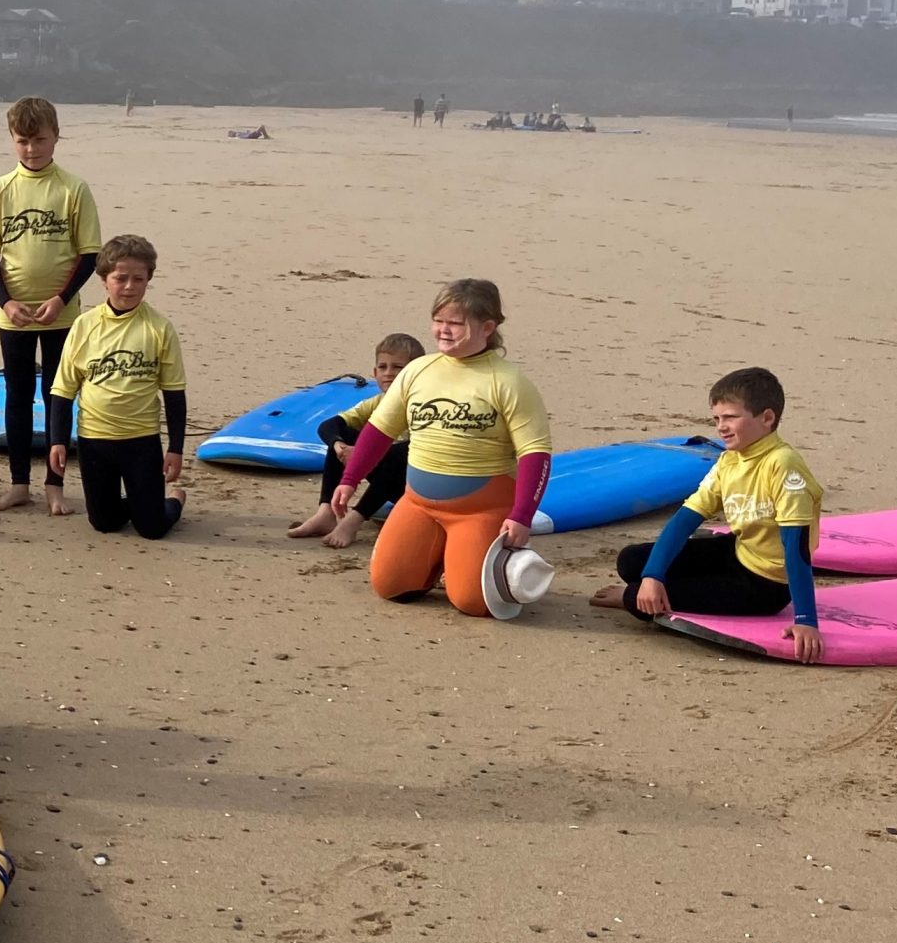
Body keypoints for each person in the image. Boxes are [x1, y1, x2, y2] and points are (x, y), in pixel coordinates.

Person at [331, 280, 552, 617]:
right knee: (392, 588)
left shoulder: (508, 381)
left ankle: (472, 557)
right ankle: (442, 557)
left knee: (473, 603)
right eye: (439, 320)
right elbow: (379, 431)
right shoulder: (419, 370)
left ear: (487, 327)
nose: (443, 331)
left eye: (456, 323)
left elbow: (536, 455)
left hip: (480, 510)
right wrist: (349, 479)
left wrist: (521, 516)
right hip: (418, 503)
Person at [592, 367, 823, 663]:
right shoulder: (730, 460)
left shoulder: (783, 465)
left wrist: (805, 619)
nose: (721, 428)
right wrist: (653, 576)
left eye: (730, 417)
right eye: (717, 419)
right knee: (631, 561)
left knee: (635, 598)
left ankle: (630, 598)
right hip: (738, 552)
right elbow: (684, 520)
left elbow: (796, 548)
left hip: (766, 585)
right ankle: (643, 589)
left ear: (767, 418)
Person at [0, 96, 102, 513]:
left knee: (57, 395)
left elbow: (88, 255)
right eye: (23, 141)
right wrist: (7, 302)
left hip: (60, 314)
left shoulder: (73, 188)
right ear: (13, 140)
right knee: (16, 394)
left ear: (56, 137)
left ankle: (54, 484)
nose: (32, 149)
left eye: (40, 140)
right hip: (13, 315)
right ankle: (18, 484)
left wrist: (61, 299)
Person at [49, 235, 188, 538]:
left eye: (138, 279)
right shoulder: (84, 325)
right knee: (105, 523)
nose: (129, 286)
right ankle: (142, 502)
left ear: (149, 279)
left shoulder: (159, 328)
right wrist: (58, 440)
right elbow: (63, 390)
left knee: (152, 529)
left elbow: (174, 393)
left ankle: (174, 500)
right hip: (94, 440)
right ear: (103, 280)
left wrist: (175, 448)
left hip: (141, 439)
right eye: (120, 278)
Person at [289, 332, 424, 548]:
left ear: (415, 372)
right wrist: (338, 445)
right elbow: (329, 425)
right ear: (374, 372)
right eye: (383, 367)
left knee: (397, 456)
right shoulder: (378, 402)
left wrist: (364, 454)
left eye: (398, 367)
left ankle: (353, 520)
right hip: (388, 481)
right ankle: (326, 512)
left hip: (416, 485)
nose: (389, 373)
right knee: (344, 438)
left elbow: (417, 451)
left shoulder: (423, 403)